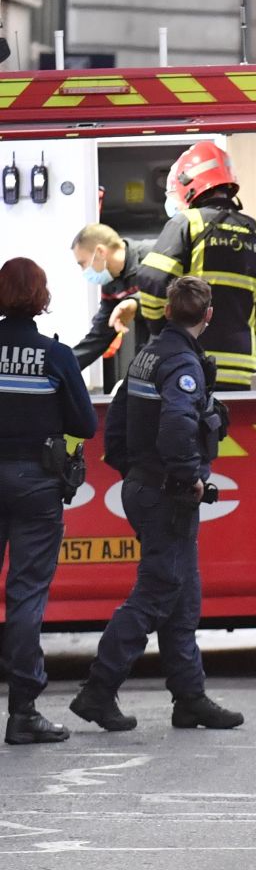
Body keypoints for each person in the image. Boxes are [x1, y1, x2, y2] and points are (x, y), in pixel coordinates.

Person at [69, 276, 242, 733]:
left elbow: (120, 418)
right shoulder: (182, 362)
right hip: (167, 493)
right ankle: (98, 691)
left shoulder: (146, 355)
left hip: (147, 487)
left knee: (182, 596)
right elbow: (176, 427)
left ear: (167, 311)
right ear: (207, 316)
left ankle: (190, 698)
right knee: (156, 593)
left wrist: (133, 471)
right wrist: (189, 478)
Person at [0, 258, 97, 744]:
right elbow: (85, 425)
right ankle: (23, 712)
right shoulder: (54, 357)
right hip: (37, 483)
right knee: (25, 594)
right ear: (41, 297)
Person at [112, 142, 256, 388]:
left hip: (189, 363)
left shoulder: (188, 223)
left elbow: (151, 278)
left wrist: (160, 327)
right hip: (240, 369)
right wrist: (244, 328)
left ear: (188, 185)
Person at [70, 223, 153, 370]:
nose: (84, 271)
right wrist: (62, 366)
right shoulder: (111, 282)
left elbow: (173, 291)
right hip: (149, 354)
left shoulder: (154, 255)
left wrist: (135, 302)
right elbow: (100, 335)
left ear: (100, 251)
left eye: (83, 263)